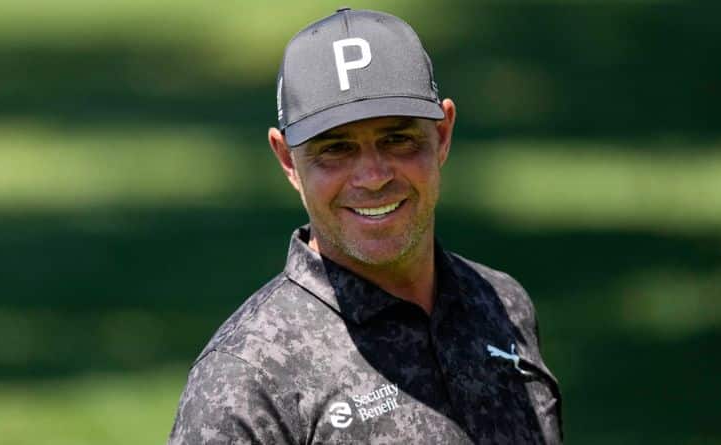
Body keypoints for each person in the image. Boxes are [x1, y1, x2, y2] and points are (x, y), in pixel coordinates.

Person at [168, 7, 562, 444]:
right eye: (335, 149)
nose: (373, 176)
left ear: (443, 134)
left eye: (397, 139)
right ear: (287, 161)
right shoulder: (248, 379)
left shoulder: (502, 306)